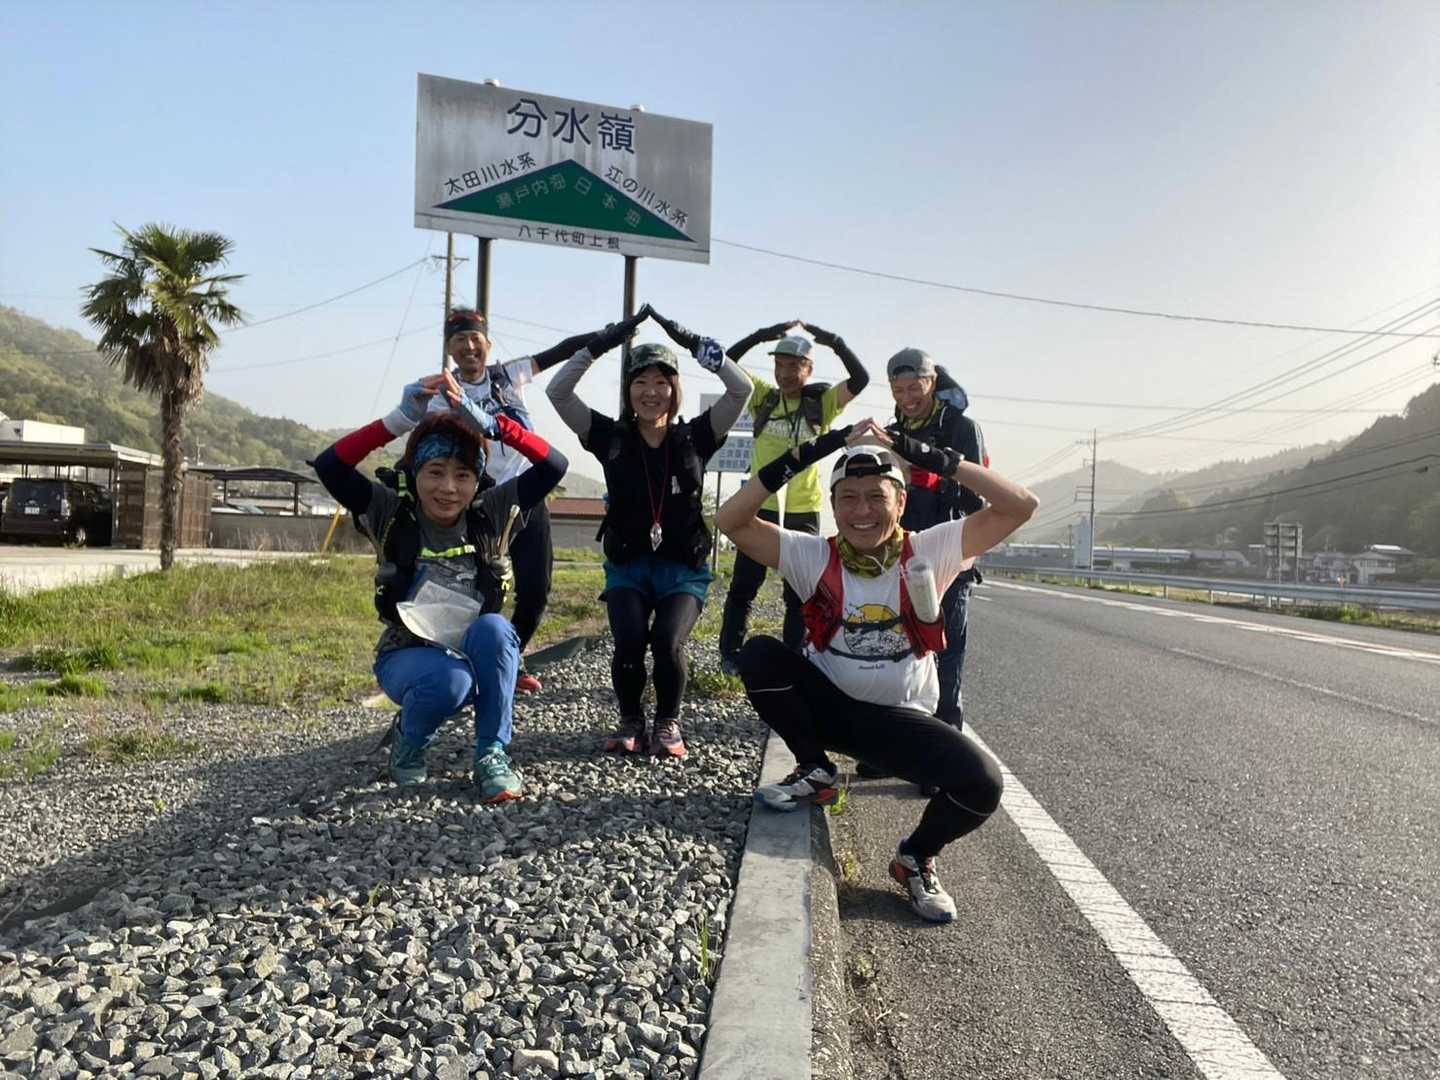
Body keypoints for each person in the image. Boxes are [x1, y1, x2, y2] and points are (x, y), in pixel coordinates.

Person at [714, 419, 1037, 922]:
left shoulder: (932, 548)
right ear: (832, 505)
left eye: (876, 497)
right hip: (829, 710)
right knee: (758, 653)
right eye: (848, 498)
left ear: (901, 502)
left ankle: (915, 858)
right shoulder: (811, 553)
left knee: (983, 783)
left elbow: (1020, 506)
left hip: (899, 724)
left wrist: (926, 455)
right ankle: (815, 769)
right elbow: (730, 520)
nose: (861, 511)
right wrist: (813, 450)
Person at [314, 371, 568, 801]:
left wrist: (495, 426)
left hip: (473, 644)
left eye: (463, 475)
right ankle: (410, 741)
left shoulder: (491, 510)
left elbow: (554, 466)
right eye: (435, 472)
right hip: (407, 653)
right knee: (452, 682)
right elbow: (330, 466)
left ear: (477, 480)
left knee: (496, 629)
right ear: (415, 472)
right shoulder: (390, 509)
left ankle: (492, 754)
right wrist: (398, 420)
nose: (448, 488)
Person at [546, 305, 751, 757]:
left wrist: (693, 343)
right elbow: (558, 392)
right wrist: (600, 344)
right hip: (628, 565)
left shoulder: (697, 436)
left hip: (682, 568)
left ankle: (667, 722)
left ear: (675, 390)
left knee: (667, 642)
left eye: (662, 382)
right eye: (640, 382)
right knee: (629, 641)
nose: (651, 391)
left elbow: (742, 388)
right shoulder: (609, 436)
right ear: (628, 390)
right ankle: (630, 720)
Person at [429, 307, 597, 694]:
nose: (469, 347)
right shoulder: (442, 396)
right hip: (481, 501)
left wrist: (603, 337)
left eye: (475, 338)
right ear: (449, 349)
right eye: (459, 340)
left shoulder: (509, 374)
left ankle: (510, 658)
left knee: (536, 590)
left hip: (527, 492)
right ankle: (472, 665)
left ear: (487, 344)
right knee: (483, 589)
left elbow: (560, 351)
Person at [717, 320, 870, 672]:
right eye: (779, 365)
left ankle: (793, 659)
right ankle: (730, 655)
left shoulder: (823, 404)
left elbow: (860, 379)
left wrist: (834, 341)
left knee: (798, 592)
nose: (785, 373)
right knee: (744, 586)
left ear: (809, 369)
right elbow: (727, 362)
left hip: (803, 509)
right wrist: (760, 335)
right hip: (759, 507)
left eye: (794, 366)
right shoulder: (762, 398)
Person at [886, 347, 988, 734]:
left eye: (915, 387)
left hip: (950, 554)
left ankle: (946, 744)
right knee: (897, 650)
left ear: (932, 383)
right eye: (899, 390)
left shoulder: (962, 429)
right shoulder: (892, 432)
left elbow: (976, 499)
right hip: (902, 553)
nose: (907, 398)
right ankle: (893, 745)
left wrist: (931, 474)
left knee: (946, 653)